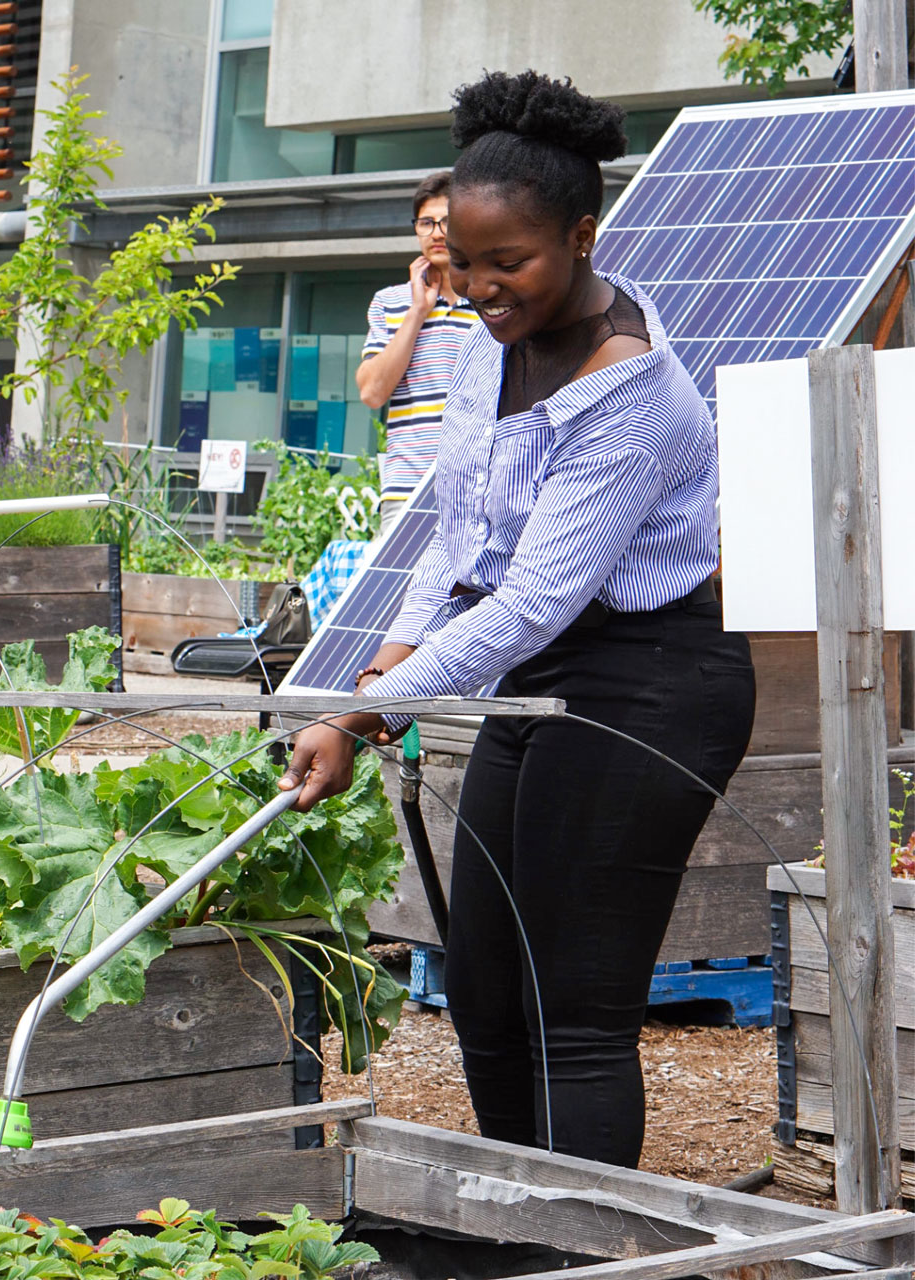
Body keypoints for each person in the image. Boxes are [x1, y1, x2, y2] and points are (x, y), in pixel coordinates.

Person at [277, 71, 756, 1168]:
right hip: (543, 673)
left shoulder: (635, 395)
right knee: (487, 987)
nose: (484, 289)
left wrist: (364, 717)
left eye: (510, 264)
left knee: (573, 1006)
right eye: (464, 266)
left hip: (654, 682)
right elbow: (452, 534)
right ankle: (509, 1225)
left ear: (581, 237)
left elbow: (537, 595)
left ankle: (571, 1243)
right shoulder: (492, 346)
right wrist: (372, 686)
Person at [356, 171, 480, 540]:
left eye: (447, 222)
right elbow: (372, 392)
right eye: (427, 223)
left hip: (476, 488)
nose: (437, 232)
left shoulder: (492, 303)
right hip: (406, 487)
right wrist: (416, 312)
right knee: (396, 594)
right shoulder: (391, 303)